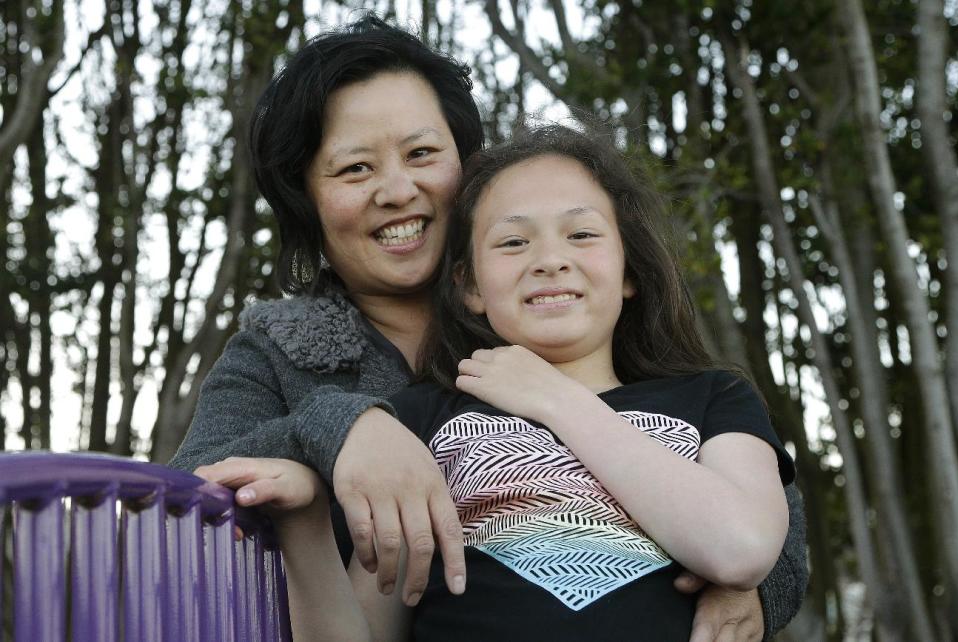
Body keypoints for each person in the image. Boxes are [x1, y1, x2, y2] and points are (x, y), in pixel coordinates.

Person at [176, 15, 808, 640]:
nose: (398, 190)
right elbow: (197, 496)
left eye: (422, 153)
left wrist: (750, 584)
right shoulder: (280, 349)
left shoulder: (580, 321)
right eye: (355, 170)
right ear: (306, 201)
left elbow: (760, 514)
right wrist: (346, 429)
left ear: (467, 165)